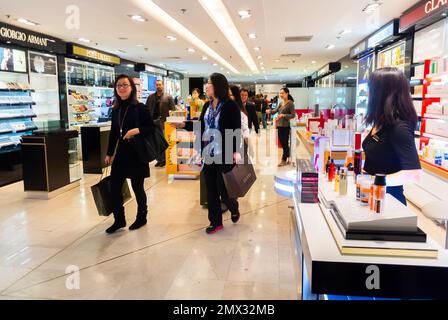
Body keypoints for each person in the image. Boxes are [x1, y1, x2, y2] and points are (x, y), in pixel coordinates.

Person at [174, 73, 242, 234]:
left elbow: (236, 130)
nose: (206, 86)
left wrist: (235, 151)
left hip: (224, 152)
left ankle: (233, 207)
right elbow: (200, 125)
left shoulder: (230, 106)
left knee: (223, 188)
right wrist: (185, 124)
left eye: (209, 83)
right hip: (208, 153)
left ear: (218, 85)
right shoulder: (207, 105)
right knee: (210, 188)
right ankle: (216, 222)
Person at [362, 68, 422, 206]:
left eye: (370, 89)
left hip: (389, 202)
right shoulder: (382, 121)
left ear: (382, 93)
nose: (367, 93)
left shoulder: (399, 127)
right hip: (372, 197)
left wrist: (374, 181)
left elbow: (414, 174)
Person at [104, 74, 155, 234]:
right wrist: (109, 153)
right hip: (121, 153)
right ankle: (119, 220)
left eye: (125, 85)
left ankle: (142, 217)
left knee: (137, 187)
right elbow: (113, 132)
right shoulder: (116, 109)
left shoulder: (140, 107)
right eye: (119, 85)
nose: (122, 88)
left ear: (132, 88)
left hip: (137, 152)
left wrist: (136, 130)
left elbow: (150, 127)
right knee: (115, 186)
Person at [145, 79, 176, 167]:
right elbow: (146, 109)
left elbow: (173, 110)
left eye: (160, 84)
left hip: (163, 122)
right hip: (152, 122)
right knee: (154, 142)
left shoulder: (168, 97)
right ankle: (159, 159)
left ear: (163, 85)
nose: (158, 86)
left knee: (161, 141)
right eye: (157, 84)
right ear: (155, 86)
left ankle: (163, 159)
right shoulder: (150, 97)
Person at [267, 87, 296, 166]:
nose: (281, 95)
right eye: (280, 93)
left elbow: (293, 115)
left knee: (284, 143)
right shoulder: (280, 103)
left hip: (285, 126)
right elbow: (274, 111)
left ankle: (284, 159)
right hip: (279, 125)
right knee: (283, 143)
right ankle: (287, 155)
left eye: (282, 93)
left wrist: (283, 115)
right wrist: (269, 111)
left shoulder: (290, 103)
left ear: (287, 93)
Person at [230, 86, 250, 160]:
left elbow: (245, 128)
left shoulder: (238, 110)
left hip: (238, 141)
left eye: (231, 95)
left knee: (238, 165)